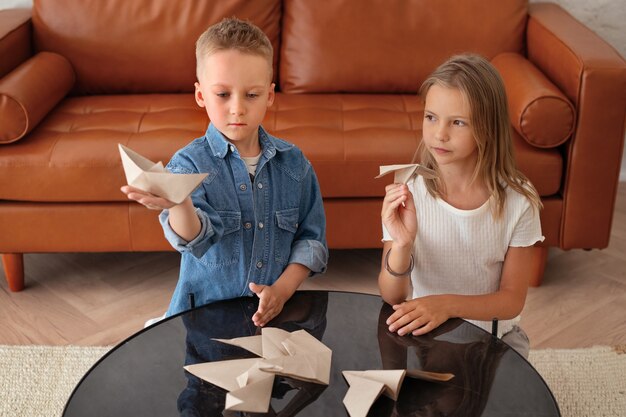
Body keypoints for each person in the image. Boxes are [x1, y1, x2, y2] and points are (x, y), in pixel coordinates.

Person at [121, 17, 328, 325]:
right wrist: (180, 201)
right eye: (222, 94)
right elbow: (195, 239)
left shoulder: (295, 164)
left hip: (277, 315)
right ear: (201, 95)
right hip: (205, 318)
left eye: (252, 94)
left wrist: (281, 292)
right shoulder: (187, 165)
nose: (237, 108)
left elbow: (312, 241)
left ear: (270, 96)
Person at [379, 54, 544, 358]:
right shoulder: (408, 191)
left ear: (487, 127)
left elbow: (511, 300)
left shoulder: (519, 201)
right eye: (431, 117)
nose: (439, 133)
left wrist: (446, 304)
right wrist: (402, 243)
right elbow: (392, 294)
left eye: (457, 122)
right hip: (429, 335)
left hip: (496, 338)